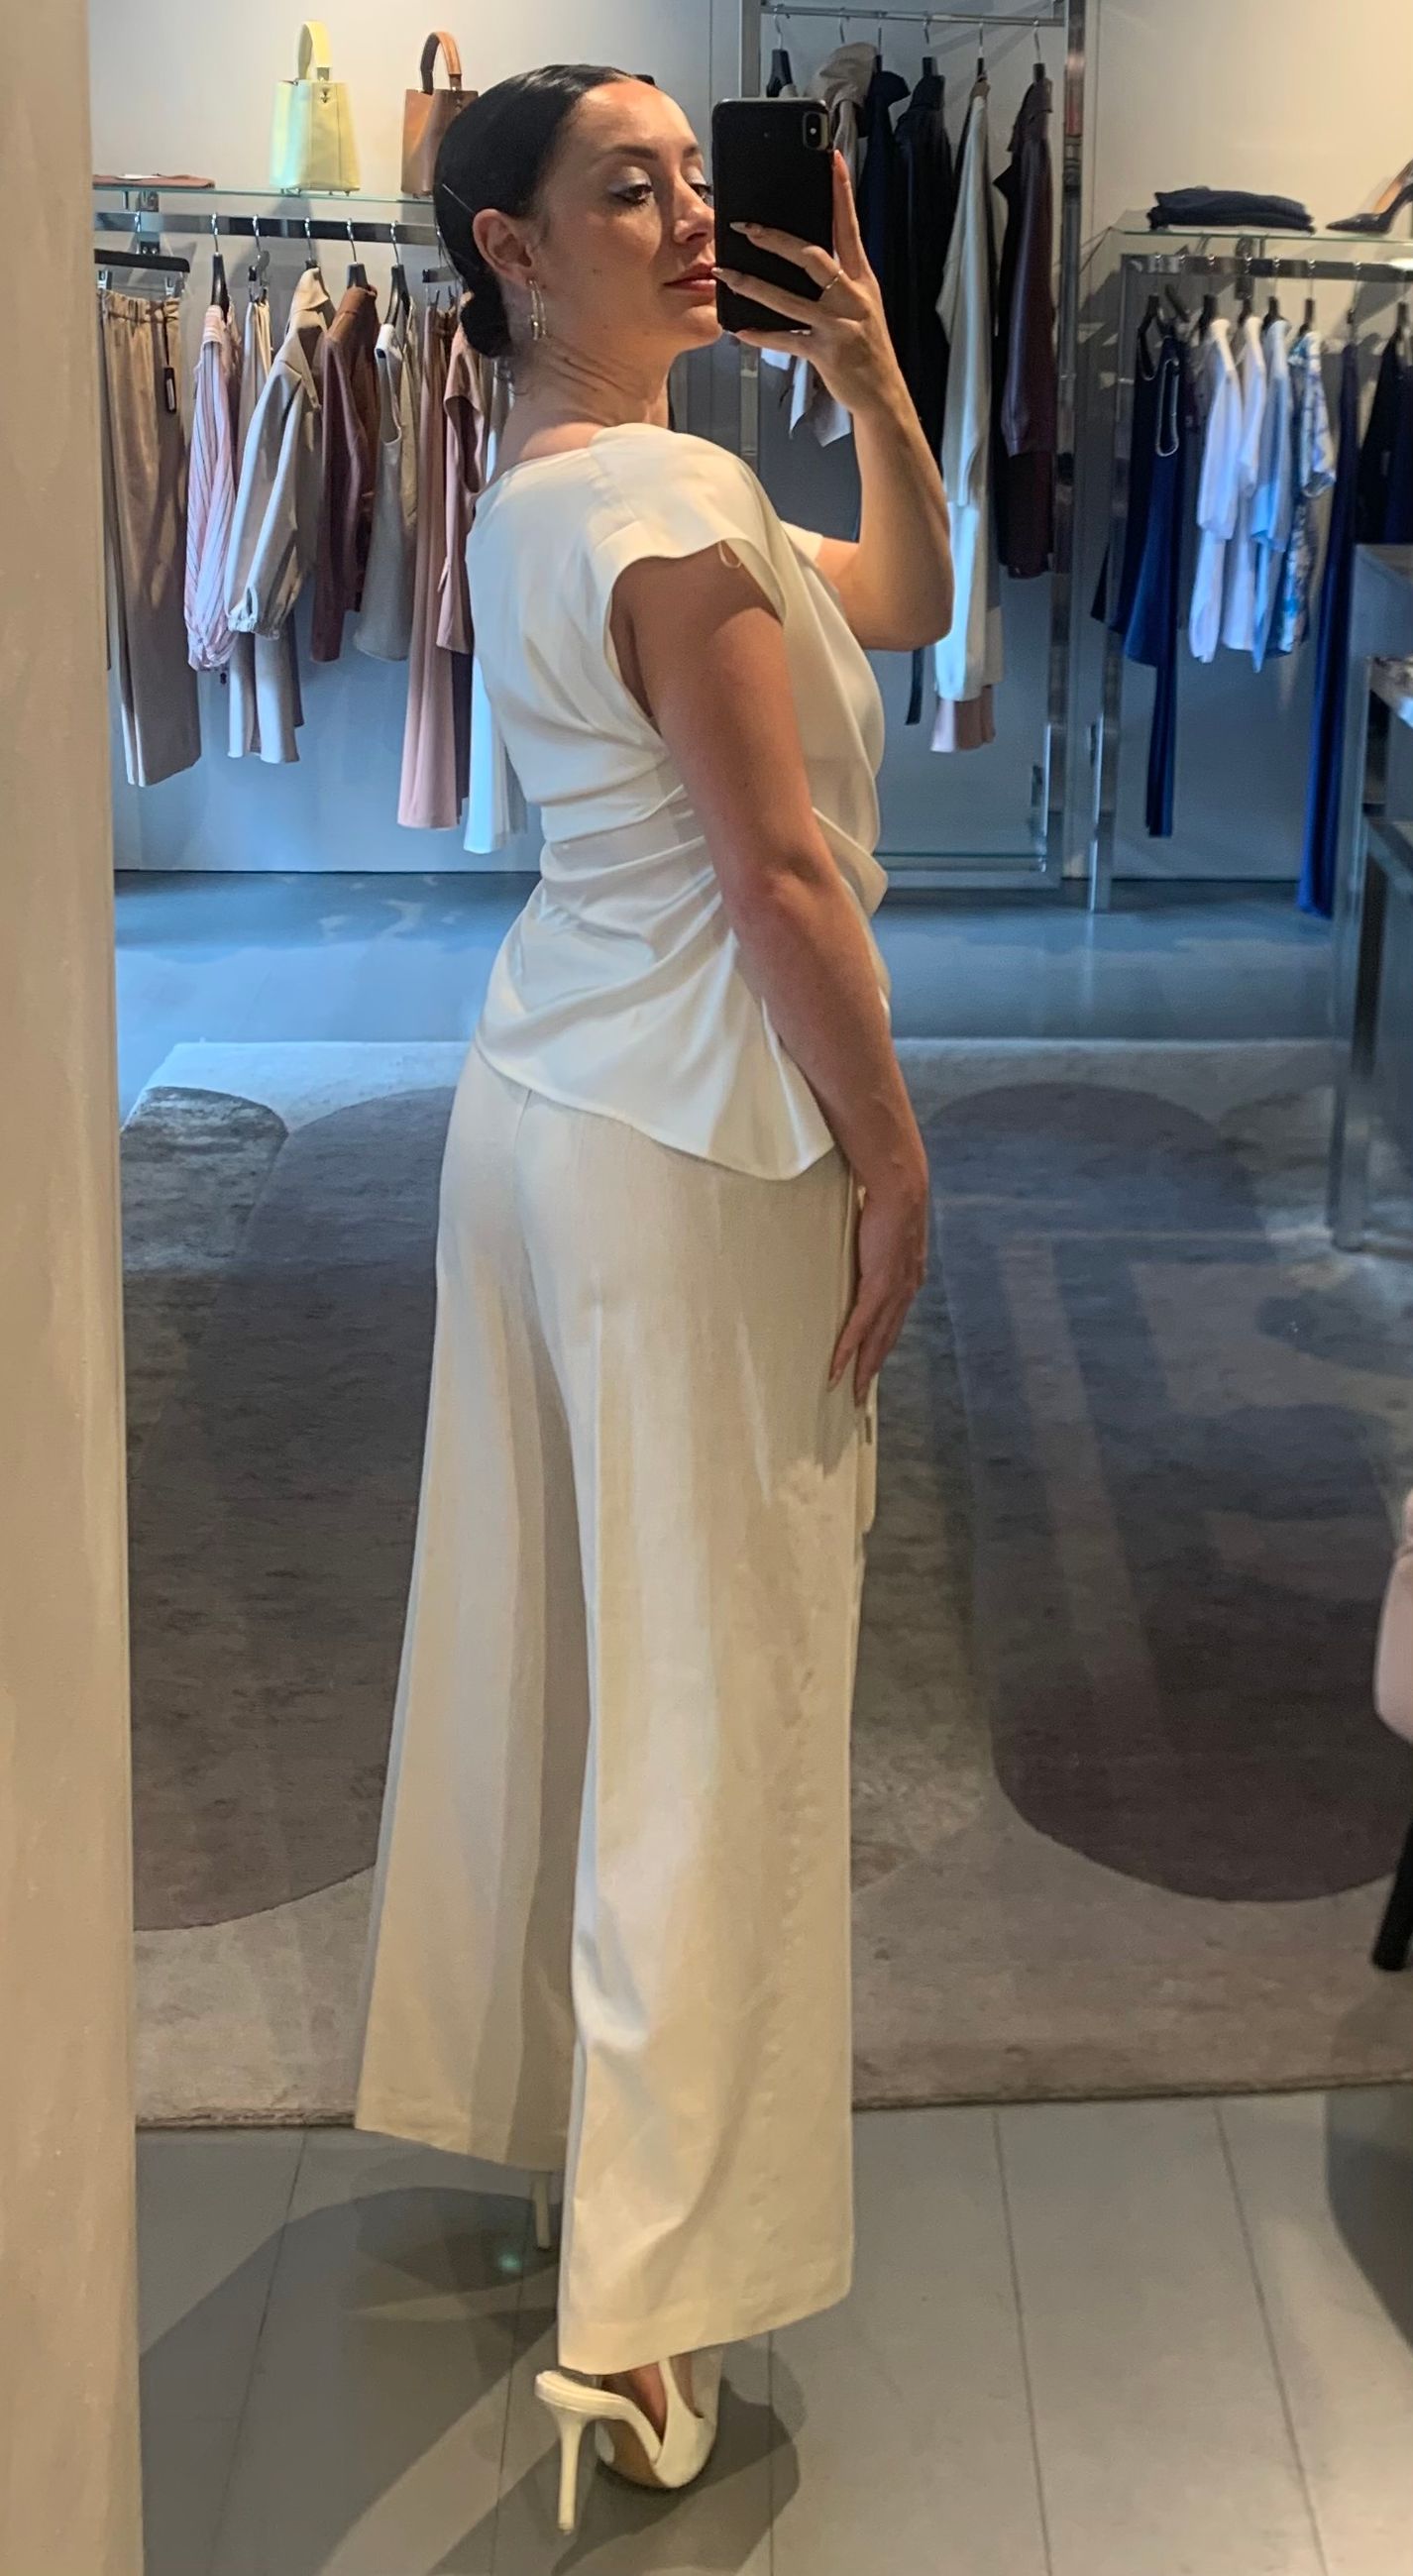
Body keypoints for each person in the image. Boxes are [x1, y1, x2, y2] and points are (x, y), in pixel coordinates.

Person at [351, 62, 953, 2534]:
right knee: (716, 1713)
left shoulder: (562, 487)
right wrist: (891, 1155)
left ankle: (568, 2150)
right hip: (701, 1141)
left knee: (563, 1653)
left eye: (694, 178)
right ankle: (644, 2313)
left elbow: (897, 600)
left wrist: (879, 388)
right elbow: (778, 877)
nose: (690, 213)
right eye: (631, 188)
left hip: (545, 1108)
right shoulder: (667, 504)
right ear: (512, 247)